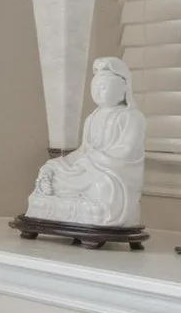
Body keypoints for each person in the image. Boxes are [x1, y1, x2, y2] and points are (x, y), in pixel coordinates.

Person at [27, 56, 145, 226]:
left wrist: (90, 161)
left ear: (122, 90)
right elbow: (84, 150)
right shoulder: (92, 117)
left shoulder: (132, 117)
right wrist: (62, 162)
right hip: (88, 168)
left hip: (112, 172)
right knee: (55, 174)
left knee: (100, 187)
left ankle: (93, 210)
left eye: (103, 87)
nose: (98, 92)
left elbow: (126, 151)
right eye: (95, 87)